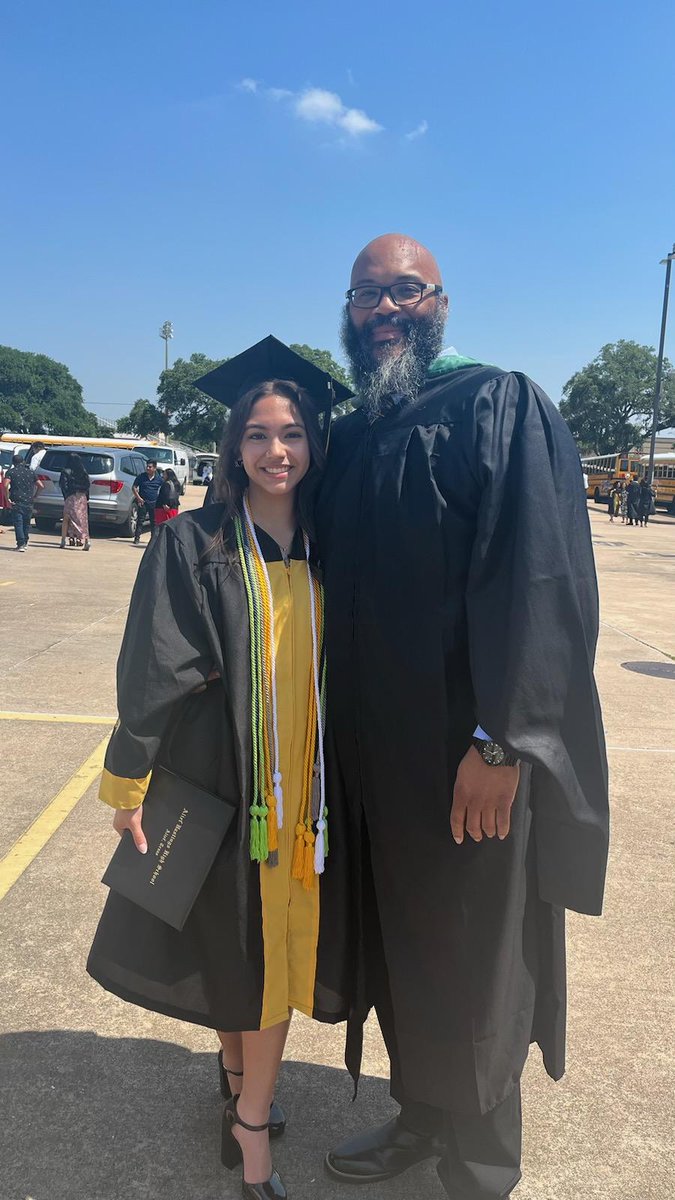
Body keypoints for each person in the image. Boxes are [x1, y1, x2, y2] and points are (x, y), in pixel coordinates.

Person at [316, 235, 609, 1200]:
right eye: (368, 295)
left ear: (442, 302)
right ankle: (418, 1120)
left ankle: (480, 1165)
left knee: (474, 956)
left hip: (463, 757)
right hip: (370, 759)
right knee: (401, 942)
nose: (385, 308)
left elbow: (541, 580)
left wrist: (502, 740)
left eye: (405, 290)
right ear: (349, 311)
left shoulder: (497, 403)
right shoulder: (352, 431)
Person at [87, 338, 354, 1200]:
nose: (276, 450)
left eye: (292, 433)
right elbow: (150, 671)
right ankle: (251, 1132)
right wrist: (129, 785)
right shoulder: (193, 543)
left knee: (263, 959)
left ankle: (245, 1101)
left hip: (305, 794)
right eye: (256, 434)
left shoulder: (335, 544)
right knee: (246, 958)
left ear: (314, 443)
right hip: (223, 787)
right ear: (233, 446)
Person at [5, 453, 43, 551]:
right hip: (29, 501)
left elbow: (5, 485)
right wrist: (35, 496)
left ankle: (20, 544)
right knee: (26, 523)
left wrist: (7, 497)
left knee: (18, 523)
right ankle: (25, 542)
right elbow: (41, 485)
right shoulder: (31, 472)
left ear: (13, 462)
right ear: (23, 462)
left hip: (16, 500)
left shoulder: (11, 472)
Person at [59, 452, 91, 550]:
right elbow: (88, 485)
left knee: (67, 518)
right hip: (82, 497)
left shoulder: (65, 471)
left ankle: (63, 540)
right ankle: (86, 540)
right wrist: (87, 497)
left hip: (71, 496)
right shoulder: (84, 472)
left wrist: (66, 496)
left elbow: (63, 485)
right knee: (82, 519)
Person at [132, 458, 163, 543]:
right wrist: (138, 498)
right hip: (143, 502)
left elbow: (163, 488)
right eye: (147, 466)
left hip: (154, 503)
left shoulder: (158, 478)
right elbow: (134, 487)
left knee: (153, 522)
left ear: (154, 468)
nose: (148, 468)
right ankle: (137, 538)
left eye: (150, 467)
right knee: (140, 520)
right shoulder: (141, 477)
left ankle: (153, 540)